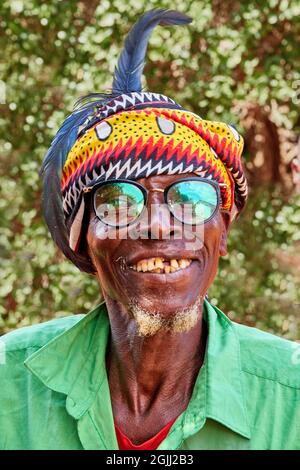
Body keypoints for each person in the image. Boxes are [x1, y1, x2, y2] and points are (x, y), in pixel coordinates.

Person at [0, 9, 299, 451]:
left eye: (191, 199)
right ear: (82, 237)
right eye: (119, 201)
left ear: (224, 229)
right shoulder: (10, 384)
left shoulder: (289, 397)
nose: (160, 225)